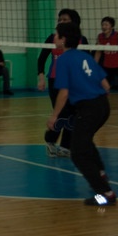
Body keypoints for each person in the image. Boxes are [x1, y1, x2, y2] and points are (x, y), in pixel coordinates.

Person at [46, 22, 116, 206]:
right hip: (103, 106)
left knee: (77, 153)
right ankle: (100, 172)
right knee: (84, 141)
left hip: (89, 109)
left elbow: (64, 92)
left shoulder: (63, 60)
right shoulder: (85, 56)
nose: (54, 38)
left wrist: (54, 116)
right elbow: (106, 86)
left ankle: (105, 193)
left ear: (63, 39)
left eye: (56, 35)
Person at [37, 9, 88, 158]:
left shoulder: (81, 40)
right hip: (56, 80)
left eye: (65, 19)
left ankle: (66, 146)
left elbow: (86, 62)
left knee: (74, 114)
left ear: (74, 21)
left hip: (75, 82)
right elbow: (41, 59)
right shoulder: (53, 38)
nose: (61, 22)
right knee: (62, 113)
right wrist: (41, 78)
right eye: (60, 19)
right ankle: (50, 140)